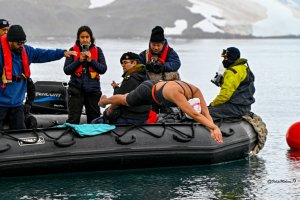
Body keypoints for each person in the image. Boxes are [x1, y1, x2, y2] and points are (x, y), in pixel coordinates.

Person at [0, 24, 76, 130]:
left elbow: (43, 54)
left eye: (23, 42)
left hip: (16, 105)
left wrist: (62, 53)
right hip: (1, 103)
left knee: (21, 133)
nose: (21, 45)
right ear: (10, 41)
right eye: (19, 43)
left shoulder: (26, 51)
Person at [99, 80, 223, 144]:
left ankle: (107, 100)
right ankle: (104, 101)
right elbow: (194, 114)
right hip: (147, 91)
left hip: (157, 89)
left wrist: (213, 129)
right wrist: (214, 127)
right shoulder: (177, 94)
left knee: (126, 97)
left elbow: (205, 112)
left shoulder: (196, 91)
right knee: (125, 100)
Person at [64, 25, 107, 124]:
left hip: (93, 91)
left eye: (87, 37)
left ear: (91, 38)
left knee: (94, 120)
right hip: (75, 90)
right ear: (78, 38)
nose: (84, 39)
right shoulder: (73, 50)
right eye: (82, 37)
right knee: (73, 119)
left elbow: (103, 69)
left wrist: (91, 60)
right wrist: (79, 60)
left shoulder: (98, 50)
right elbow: (66, 70)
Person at [92, 52, 150, 124]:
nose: (123, 65)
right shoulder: (144, 76)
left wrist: (109, 110)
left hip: (130, 117)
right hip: (142, 116)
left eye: (125, 63)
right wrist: (116, 88)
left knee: (95, 122)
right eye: (122, 63)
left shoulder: (131, 78)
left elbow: (119, 99)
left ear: (134, 63)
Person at [208, 47, 255, 119]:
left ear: (232, 57)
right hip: (245, 107)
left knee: (204, 112)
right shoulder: (244, 68)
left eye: (225, 58)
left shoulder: (232, 72)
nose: (224, 60)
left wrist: (212, 105)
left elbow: (224, 95)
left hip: (234, 108)